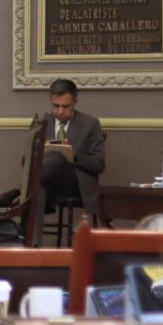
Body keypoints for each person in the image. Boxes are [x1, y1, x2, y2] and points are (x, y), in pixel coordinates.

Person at [38, 79, 105, 242]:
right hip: (47, 183)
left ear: (75, 102)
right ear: (50, 101)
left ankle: (20, 192)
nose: (60, 111)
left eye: (66, 106)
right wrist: (41, 151)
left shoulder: (90, 124)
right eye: (55, 106)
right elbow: (25, 161)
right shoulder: (42, 123)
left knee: (56, 158)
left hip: (76, 184)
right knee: (38, 189)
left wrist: (75, 155)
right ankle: (32, 247)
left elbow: (99, 164)